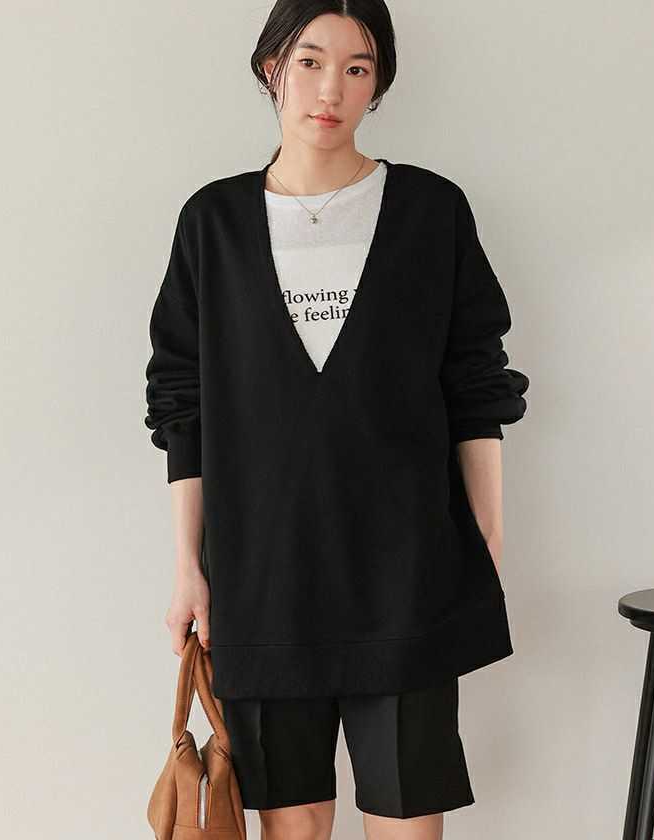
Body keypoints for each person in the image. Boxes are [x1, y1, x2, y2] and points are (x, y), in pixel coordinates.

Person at [144, 2, 529, 838]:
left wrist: (487, 536)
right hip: (262, 579)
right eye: (311, 62)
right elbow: (182, 405)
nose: (332, 89)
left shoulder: (430, 210)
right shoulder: (213, 222)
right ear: (271, 68)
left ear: (378, 82)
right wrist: (187, 567)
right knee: (292, 824)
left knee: (405, 820)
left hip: (406, 571)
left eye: (359, 68)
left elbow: (476, 383)